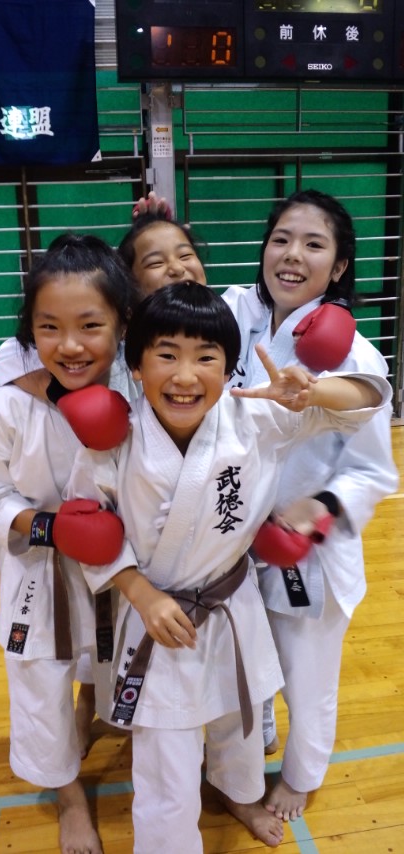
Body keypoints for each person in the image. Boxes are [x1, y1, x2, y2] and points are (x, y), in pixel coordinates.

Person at [66, 282, 391, 853]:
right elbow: (88, 532)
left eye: (206, 358)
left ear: (229, 368)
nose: (185, 376)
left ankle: (238, 794)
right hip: (159, 617)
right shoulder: (114, 439)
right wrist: (139, 591)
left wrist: (312, 392)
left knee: (237, 729)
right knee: (166, 762)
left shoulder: (256, 418)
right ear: (136, 366)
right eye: (167, 355)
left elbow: (366, 401)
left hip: (232, 606)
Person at [0, 233, 140, 854]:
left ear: (122, 324)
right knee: (39, 682)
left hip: (119, 565)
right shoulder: (5, 406)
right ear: (29, 331)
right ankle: (69, 798)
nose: (69, 345)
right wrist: (47, 526)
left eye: (90, 325)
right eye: (49, 327)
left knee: (108, 657)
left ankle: (91, 710)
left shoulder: (140, 395)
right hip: (38, 569)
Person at [222, 189, 398, 820]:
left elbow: (374, 471)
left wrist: (317, 508)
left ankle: (301, 776)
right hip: (233, 538)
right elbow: (175, 304)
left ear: (339, 266)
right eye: (281, 239)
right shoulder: (237, 313)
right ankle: (260, 735)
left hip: (307, 553)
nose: (292, 255)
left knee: (308, 677)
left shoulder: (353, 355)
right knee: (248, 656)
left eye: (313, 244)